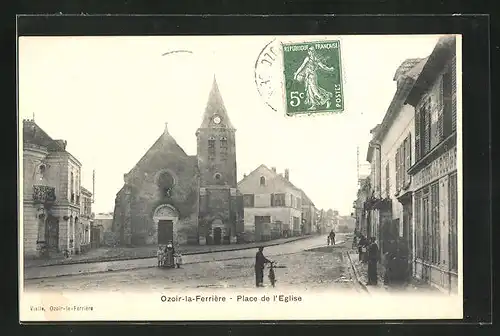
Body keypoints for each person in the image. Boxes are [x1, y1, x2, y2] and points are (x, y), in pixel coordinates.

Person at [293, 46, 337, 110]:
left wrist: (330, 69)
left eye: (313, 51)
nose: (312, 52)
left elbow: (323, 66)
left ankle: (327, 100)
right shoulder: (307, 58)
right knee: (310, 91)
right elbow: (302, 66)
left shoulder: (316, 59)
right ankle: (313, 105)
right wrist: (296, 74)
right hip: (307, 77)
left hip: (312, 77)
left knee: (315, 91)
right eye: (310, 51)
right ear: (308, 52)